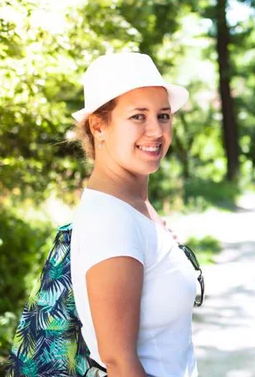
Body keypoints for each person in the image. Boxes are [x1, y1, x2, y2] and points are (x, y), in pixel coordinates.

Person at [70, 52, 199, 376]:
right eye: (138, 117)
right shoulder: (111, 222)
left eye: (164, 115)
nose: (156, 131)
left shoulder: (131, 207)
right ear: (99, 126)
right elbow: (120, 362)